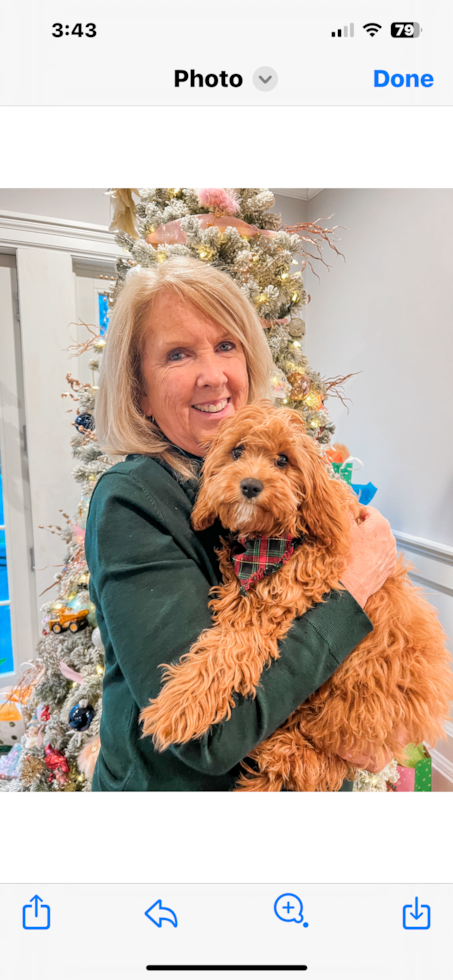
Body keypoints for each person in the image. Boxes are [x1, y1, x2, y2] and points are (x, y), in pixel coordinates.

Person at [85, 257, 397, 791]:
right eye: (178, 354)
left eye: (227, 345)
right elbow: (207, 739)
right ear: (138, 389)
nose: (214, 375)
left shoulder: (293, 479)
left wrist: (364, 716)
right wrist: (356, 582)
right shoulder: (133, 499)